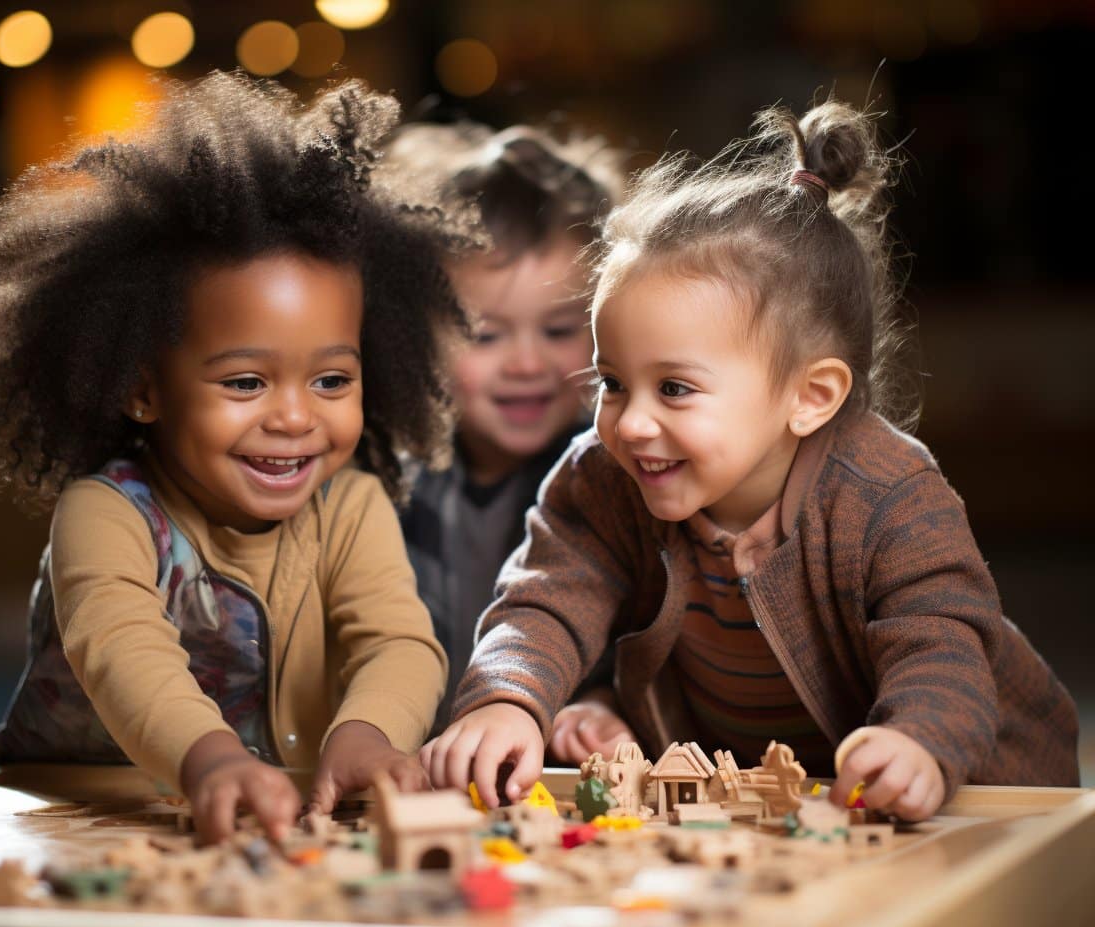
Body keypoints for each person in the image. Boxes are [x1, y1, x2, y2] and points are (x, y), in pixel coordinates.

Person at [422, 99, 1080, 821]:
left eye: (674, 388)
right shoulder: (602, 477)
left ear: (810, 396)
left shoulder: (889, 494)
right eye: (613, 383)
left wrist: (920, 741)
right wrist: (507, 699)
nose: (631, 422)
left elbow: (943, 641)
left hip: (982, 792)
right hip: (774, 793)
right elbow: (544, 599)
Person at [0, 73, 473, 844]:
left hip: (274, 810)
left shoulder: (352, 505)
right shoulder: (107, 512)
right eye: (245, 381)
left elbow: (397, 638)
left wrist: (370, 731)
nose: (296, 416)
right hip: (86, 801)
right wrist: (207, 758)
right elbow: (120, 646)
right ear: (142, 388)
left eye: (332, 379)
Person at [385, 121, 631, 753]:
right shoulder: (386, 475)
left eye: (558, 330)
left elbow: (638, 639)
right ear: (419, 334)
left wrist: (600, 706)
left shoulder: (615, 472)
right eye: (486, 335)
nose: (527, 364)